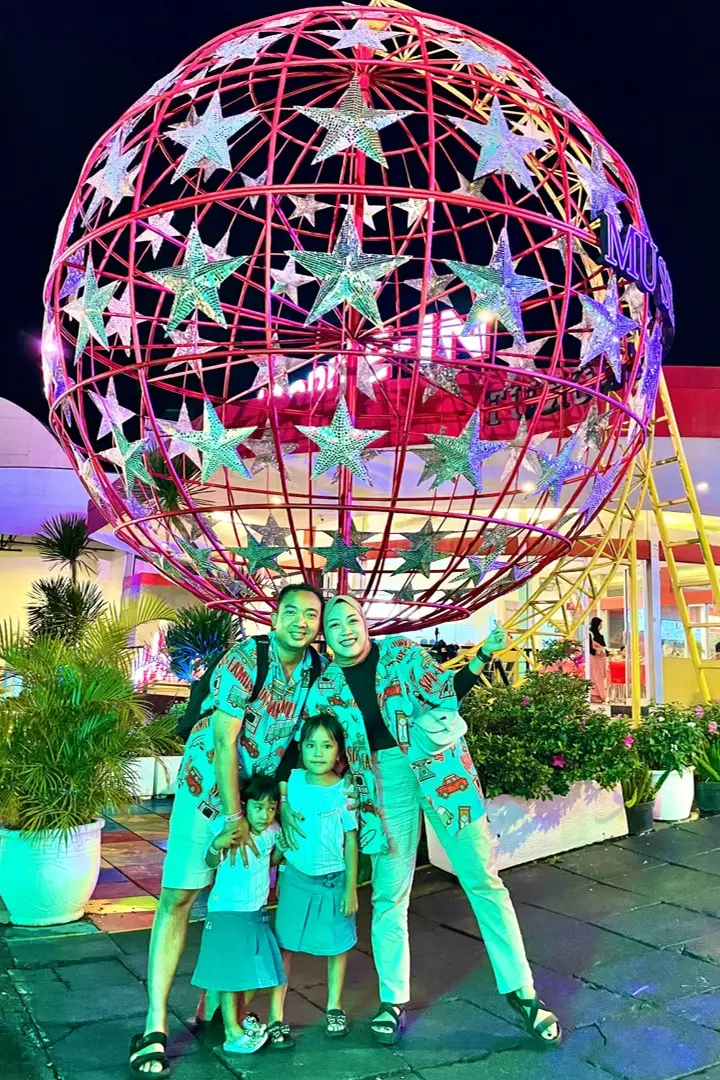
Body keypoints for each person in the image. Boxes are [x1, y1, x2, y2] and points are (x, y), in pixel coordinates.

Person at [302, 596, 561, 1048]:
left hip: (441, 769)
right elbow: (321, 749)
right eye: (334, 624)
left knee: (483, 880)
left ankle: (523, 993)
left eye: (352, 619)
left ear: (365, 623)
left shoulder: (401, 653)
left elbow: (445, 691)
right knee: (389, 894)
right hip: (382, 783)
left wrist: (483, 654)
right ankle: (391, 999)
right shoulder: (324, 689)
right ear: (325, 636)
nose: (345, 630)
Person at [129, 583, 324, 1077]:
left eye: (311, 614)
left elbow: (298, 745)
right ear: (275, 617)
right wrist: (233, 820)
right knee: (180, 896)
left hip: (254, 804)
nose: (301, 622)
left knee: (239, 905)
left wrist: (277, 807)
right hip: (207, 792)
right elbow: (223, 741)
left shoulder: (316, 671)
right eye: (292, 612)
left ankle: (213, 1004)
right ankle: (154, 1024)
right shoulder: (246, 658)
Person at [270, 714, 358, 1046]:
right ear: (301, 749)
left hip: (333, 881)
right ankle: (275, 1016)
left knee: (338, 944)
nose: (318, 753)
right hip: (296, 878)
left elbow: (351, 840)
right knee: (285, 945)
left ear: (338, 752)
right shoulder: (291, 783)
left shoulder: (344, 790)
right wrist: (280, 865)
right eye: (310, 745)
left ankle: (334, 1006)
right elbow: (283, 822)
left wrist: (351, 888)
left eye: (326, 746)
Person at [191, 774, 285, 1056]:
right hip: (228, 912)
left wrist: (280, 852)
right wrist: (217, 844)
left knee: (255, 972)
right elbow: (209, 861)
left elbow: (272, 858)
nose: (265, 814)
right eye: (259, 807)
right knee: (232, 976)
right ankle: (232, 1033)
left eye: (271, 808)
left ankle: (230, 1018)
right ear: (244, 805)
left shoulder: (273, 830)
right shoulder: (228, 828)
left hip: (255, 913)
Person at [589, 616, 608, 704]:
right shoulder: (590, 634)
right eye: (600, 624)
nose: (601, 626)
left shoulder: (600, 635)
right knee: (594, 676)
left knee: (601, 676)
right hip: (595, 659)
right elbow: (590, 649)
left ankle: (601, 694)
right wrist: (598, 651)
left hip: (602, 659)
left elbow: (603, 646)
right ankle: (594, 694)